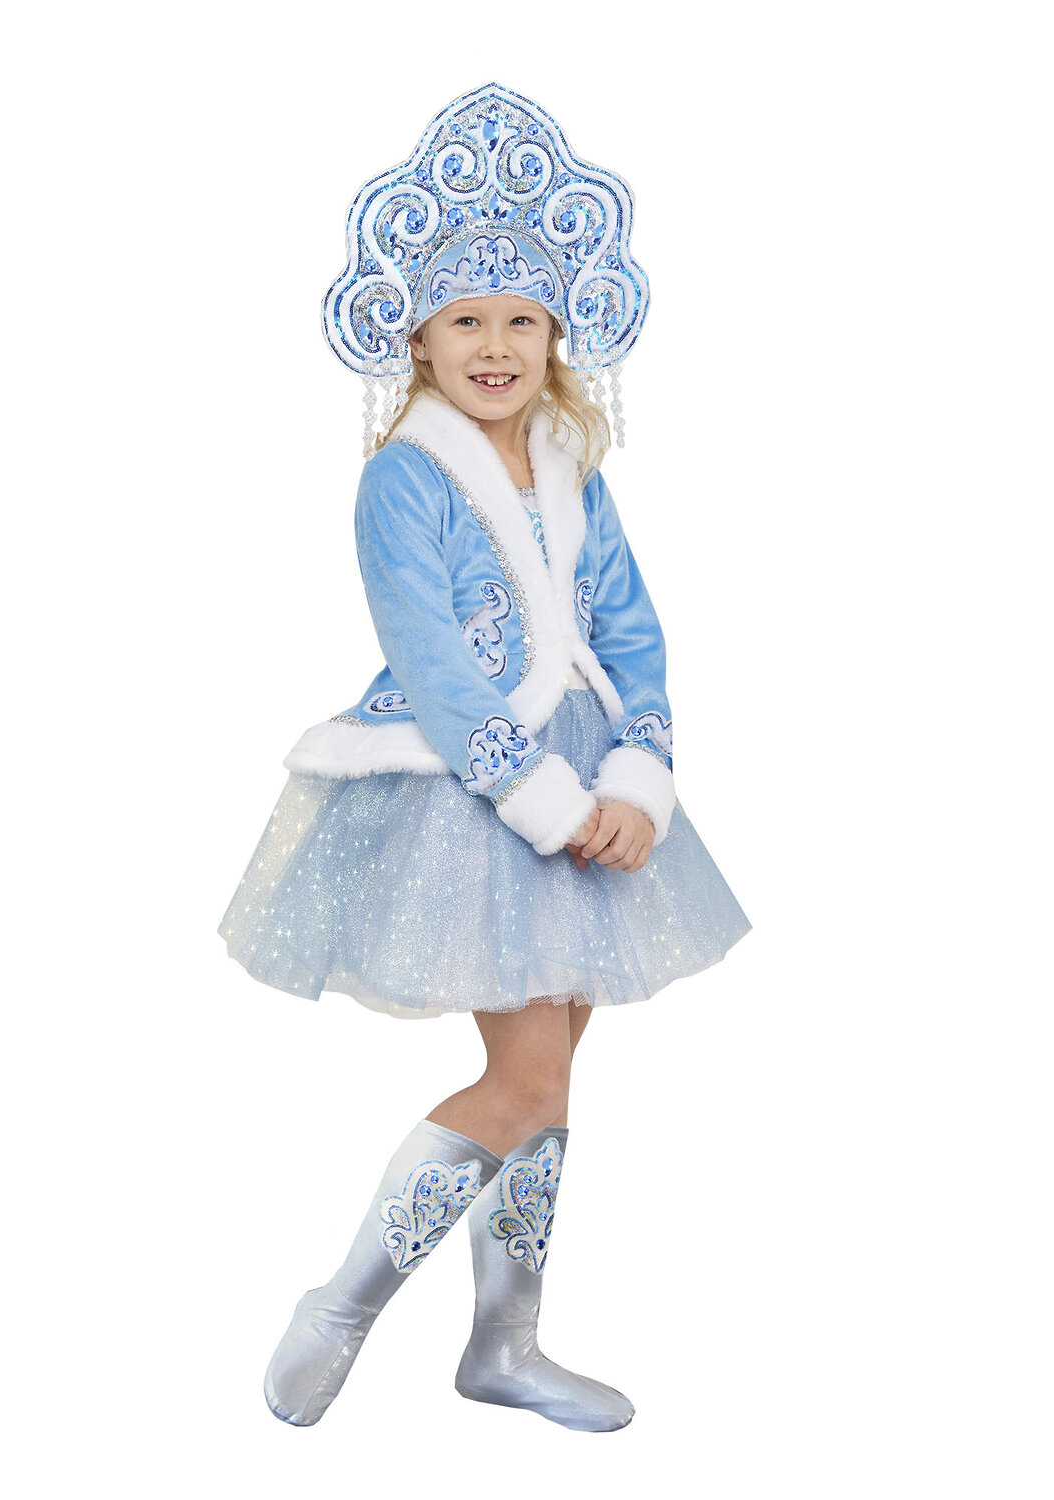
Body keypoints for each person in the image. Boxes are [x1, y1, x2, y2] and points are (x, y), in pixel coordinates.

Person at [219, 81, 751, 1432]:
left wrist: (638, 776)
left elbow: (630, 626)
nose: (496, 344)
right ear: (418, 337)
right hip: (481, 789)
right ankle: (342, 1302)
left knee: (553, 1073)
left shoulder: (575, 464)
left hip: (591, 785)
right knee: (525, 1077)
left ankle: (505, 1344)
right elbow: (436, 661)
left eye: (521, 319)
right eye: (466, 319)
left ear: (559, 333)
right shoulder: (403, 476)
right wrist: (546, 798)